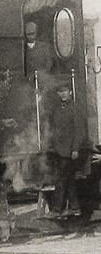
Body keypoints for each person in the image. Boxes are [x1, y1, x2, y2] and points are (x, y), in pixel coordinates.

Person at [43, 82, 88, 217]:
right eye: (60, 91)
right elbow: (53, 129)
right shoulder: (57, 109)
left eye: (65, 91)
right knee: (68, 180)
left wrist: (75, 149)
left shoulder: (75, 108)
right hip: (58, 151)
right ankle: (75, 208)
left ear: (70, 92)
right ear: (58, 94)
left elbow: (79, 132)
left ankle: (57, 209)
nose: (63, 94)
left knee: (61, 180)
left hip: (69, 151)